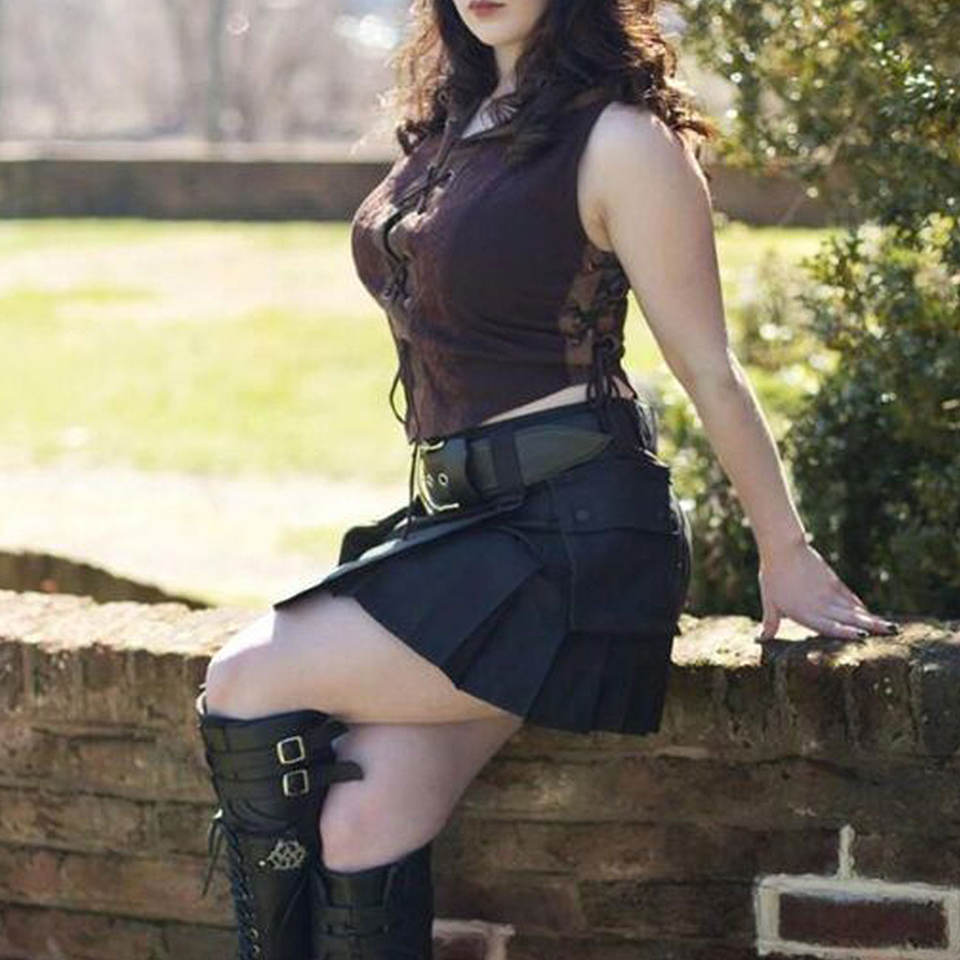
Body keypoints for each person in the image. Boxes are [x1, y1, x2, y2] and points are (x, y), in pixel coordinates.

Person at [192, 1, 901, 957]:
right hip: (460, 532)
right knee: (362, 819)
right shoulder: (455, 126)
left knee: (245, 679)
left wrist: (787, 551)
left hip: (576, 541)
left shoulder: (623, 140)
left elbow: (709, 368)